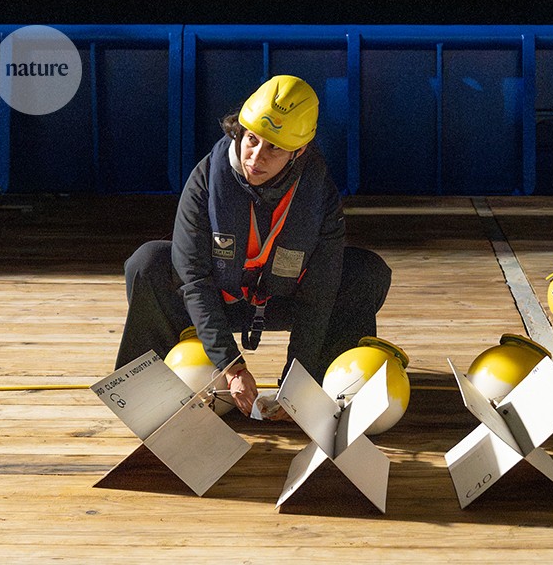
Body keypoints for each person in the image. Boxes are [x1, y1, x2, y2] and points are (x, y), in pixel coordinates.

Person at [115, 75, 391, 416]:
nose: (255, 157)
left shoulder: (320, 195)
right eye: (251, 139)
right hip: (218, 302)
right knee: (148, 262)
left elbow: (320, 293)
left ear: (298, 151)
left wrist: (296, 383)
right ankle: (146, 395)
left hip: (282, 299)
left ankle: (325, 393)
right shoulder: (204, 181)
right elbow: (194, 278)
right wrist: (231, 365)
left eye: (274, 147)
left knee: (365, 272)